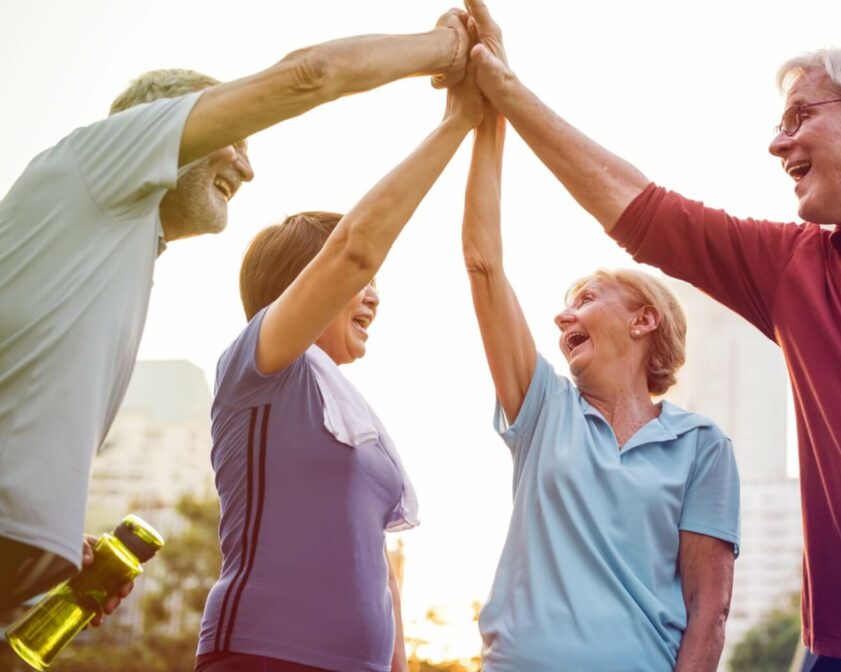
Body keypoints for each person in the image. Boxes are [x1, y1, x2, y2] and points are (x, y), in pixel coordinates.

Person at [463, 1, 841, 669]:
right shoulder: (791, 267)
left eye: (800, 117)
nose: (777, 143)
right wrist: (506, 91)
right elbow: (635, 204)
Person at [0, 10, 471, 613]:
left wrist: (59, 546)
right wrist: (447, 48)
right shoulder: (98, 157)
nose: (248, 169)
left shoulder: (115, 246)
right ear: (162, 123)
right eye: (235, 138)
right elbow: (310, 74)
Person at [193, 42, 483, 672]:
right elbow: (353, 249)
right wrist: (458, 122)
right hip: (261, 654)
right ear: (305, 286)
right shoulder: (259, 366)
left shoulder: (360, 417)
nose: (374, 291)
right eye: (360, 278)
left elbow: (384, 577)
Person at [460, 45, 740, 670]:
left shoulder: (701, 446)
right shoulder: (543, 409)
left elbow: (709, 612)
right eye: (565, 306)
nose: (563, 317)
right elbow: (484, 264)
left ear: (645, 320)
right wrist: (487, 117)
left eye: (585, 299)